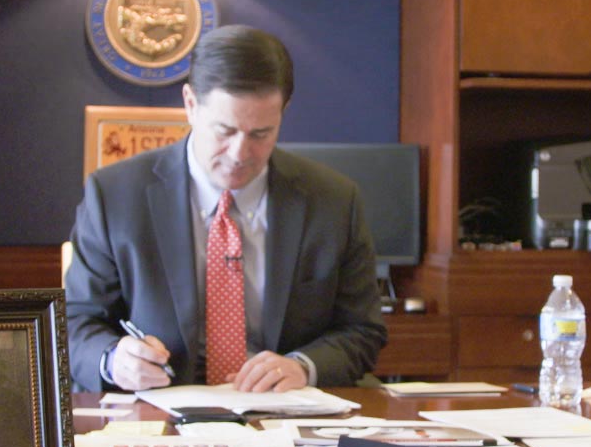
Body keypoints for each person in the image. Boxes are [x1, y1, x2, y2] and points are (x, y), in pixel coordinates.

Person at [67, 25, 387, 393]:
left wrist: (304, 368)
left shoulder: (333, 201)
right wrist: (112, 358)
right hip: (159, 412)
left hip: (284, 414)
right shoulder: (115, 196)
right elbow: (77, 323)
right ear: (190, 104)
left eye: (260, 134)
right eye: (224, 130)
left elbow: (363, 330)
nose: (239, 154)